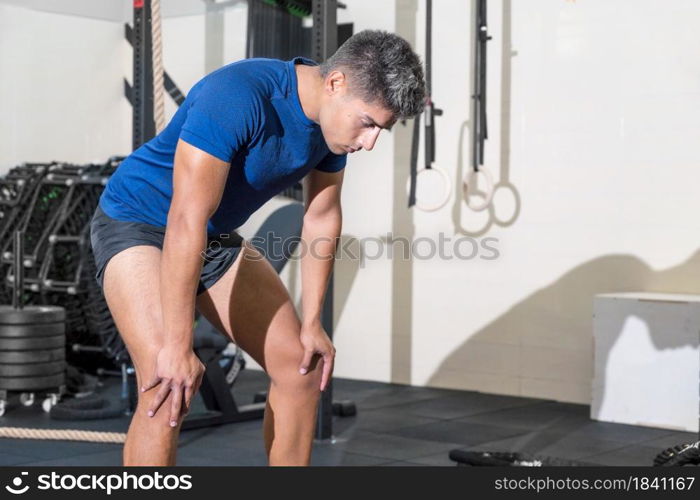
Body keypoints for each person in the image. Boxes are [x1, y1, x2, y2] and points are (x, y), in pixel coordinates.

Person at [90, 29, 426, 466]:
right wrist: (177, 344)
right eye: (367, 124)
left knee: (300, 367)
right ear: (336, 82)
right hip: (139, 222)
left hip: (208, 235)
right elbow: (184, 220)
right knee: (165, 383)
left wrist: (312, 323)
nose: (370, 142)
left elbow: (321, 217)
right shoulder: (238, 95)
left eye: (381, 130)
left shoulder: (330, 127)